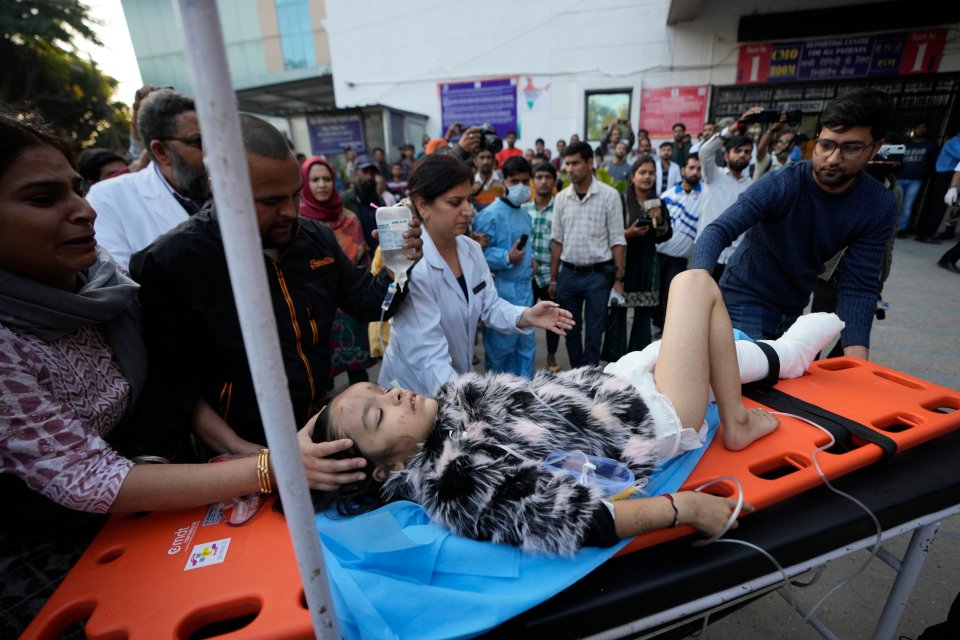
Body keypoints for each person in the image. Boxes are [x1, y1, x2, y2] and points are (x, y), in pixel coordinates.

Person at [0, 107, 366, 637]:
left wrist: (249, 455)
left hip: (170, 506)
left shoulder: (104, 289)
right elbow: (93, 477)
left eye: (76, 189)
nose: (84, 210)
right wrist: (268, 465)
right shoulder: (169, 263)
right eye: (42, 198)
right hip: (53, 558)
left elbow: (166, 380)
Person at [312, 269, 845, 556]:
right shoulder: (454, 478)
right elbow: (579, 518)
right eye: (379, 417)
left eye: (379, 392)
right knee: (694, 286)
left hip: (606, 386)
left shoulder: (437, 417)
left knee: (712, 346)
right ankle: (738, 422)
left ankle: (788, 353)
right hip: (649, 418)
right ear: (385, 469)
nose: (394, 396)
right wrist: (684, 509)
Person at [130, 115, 422, 458]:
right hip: (239, 452)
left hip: (317, 432)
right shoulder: (170, 263)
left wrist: (397, 269)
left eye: (295, 195)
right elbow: (176, 384)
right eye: (270, 201)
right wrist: (255, 459)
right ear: (219, 188)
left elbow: (367, 303)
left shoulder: (315, 238)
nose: (289, 212)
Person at [690, 88, 898, 359]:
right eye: (826, 145)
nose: (833, 159)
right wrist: (697, 284)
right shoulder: (783, 182)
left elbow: (858, 285)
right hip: (745, 297)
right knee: (745, 378)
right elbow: (718, 230)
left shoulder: (878, 203)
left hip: (795, 305)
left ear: (875, 147)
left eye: (851, 148)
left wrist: (857, 362)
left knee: (788, 388)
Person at [378, 154, 573, 396]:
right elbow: (429, 356)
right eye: (455, 202)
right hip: (414, 391)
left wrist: (526, 315)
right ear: (422, 206)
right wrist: (472, 401)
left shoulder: (470, 249)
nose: (469, 212)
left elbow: (489, 305)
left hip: (455, 382)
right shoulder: (413, 265)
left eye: (468, 200)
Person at [86, 89, 211, 268]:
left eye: (216, 140)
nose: (213, 151)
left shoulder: (242, 185)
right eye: (199, 141)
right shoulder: (109, 198)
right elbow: (118, 281)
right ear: (161, 151)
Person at [550, 141, 627, 368]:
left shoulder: (609, 196)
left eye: (575, 163)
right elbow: (557, 240)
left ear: (590, 163)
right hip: (569, 275)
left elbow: (617, 240)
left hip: (598, 275)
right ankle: (577, 375)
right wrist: (554, 278)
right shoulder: (562, 198)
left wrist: (619, 281)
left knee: (594, 333)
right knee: (570, 331)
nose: (570, 169)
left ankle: (590, 378)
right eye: (567, 164)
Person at [301, 157, 374, 386]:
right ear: (305, 183)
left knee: (359, 377)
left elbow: (363, 263)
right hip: (315, 312)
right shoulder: (297, 222)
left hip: (350, 310)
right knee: (322, 380)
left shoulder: (350, 219)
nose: (322, 184)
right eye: (315, 180)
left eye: (326, 179)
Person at [602, 156, 672, 361]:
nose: (647, 177)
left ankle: (639, 360)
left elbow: (665, 236)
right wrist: (628, 233)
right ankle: (617, 360)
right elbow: (608, 233)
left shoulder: (658, 202)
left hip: (647, 264)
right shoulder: (620, 201)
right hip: (623, 262)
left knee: (643, 316)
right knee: (618, 314)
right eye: (642, 172)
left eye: (651, 173)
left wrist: (658, 219)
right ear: (632, 176)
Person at [473, 156, 536, 376]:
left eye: (525, 181)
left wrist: (531, 259)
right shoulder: (489, 215)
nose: (521, 186)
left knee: (526, 348)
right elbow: (477, 255)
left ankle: (526, 398)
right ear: (504, 181)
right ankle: (499, 400)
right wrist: (506, 257)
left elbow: (528, 247)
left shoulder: (526, 216)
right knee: (501, 350)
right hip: (501, 290)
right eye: (514, 180)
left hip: (525, 289)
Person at [693, 109, 756, 280]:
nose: (743, 154)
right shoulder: (714, 175)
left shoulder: (751, 186)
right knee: (701, 302)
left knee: (726, 305)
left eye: (747, 151)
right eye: (738, 150)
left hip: (736, 257)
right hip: (708, 253)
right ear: (726, 156)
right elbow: (705, 151)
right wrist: (736, 127)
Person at [654, 153, 704, 330]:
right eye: (691, 167)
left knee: (672, 294)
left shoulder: (706, 195)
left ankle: (668, 330)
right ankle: (657, 326)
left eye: (699, 169)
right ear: (683, 170)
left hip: (679, 259)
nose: (695, 172)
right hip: (658, 254)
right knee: (656, 293)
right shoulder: (667, 196)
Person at [523, 161, 561, 372]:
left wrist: (556, 276)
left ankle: (551, 355)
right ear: (533, 181)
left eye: (548, 177)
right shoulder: (523, 209)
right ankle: (526, 359)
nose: (543, 181)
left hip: (550, 274)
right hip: (528, 275)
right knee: (526, 317)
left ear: (554, 181)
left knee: (552, 318)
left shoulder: (560, 207)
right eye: (539, 177)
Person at [914, 131, 960, 244]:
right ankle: (927, 234)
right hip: (945, 175)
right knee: (939, 207)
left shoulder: (953, 142)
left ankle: (924, 232)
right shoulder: (954, 142)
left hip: (944, 175)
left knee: (936, 205)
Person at [895, 121, 937, 237]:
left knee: (908, 205)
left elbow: (932, 161)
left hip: (916, 179)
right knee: (896, 204)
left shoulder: (929, 144)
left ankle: (901, 230)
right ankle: (891, 227)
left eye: (923, 127)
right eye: (919, 127)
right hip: (901, 177)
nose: (921, 130)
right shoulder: (905, 144)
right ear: (914, 129)